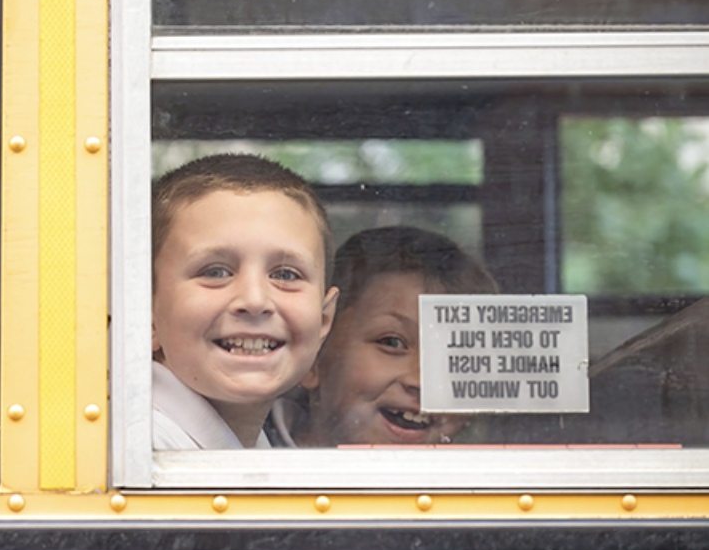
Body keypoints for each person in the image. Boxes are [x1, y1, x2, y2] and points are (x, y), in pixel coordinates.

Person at [150, 154, 338, 449]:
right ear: (145, 315)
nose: (254, 300)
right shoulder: (139, 450)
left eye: (286, 275)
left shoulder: (250, 449)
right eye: (215, 272)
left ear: (324, 320)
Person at [279, 225, 498, 447]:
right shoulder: (250, 453)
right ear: (313, 357)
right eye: (392, 343)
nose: (420, 382)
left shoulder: (491, 474)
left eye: (456, 357)